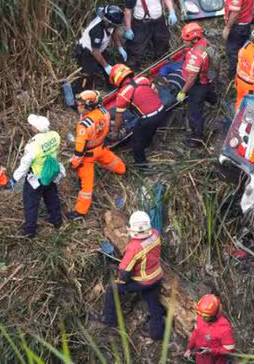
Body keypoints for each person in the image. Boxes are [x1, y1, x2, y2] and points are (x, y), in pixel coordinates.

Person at [101, 211, 165, 340]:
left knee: (113, 288)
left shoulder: (134, 247)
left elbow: (124, 271)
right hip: (156, 275)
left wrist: (121, 281)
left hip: (143, 281)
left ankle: (109, 319)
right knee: (153, 303)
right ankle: (157, 333)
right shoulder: (155, 234)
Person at [68, 91, 125, 220]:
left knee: (86, 186)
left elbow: (79, 150)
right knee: (113, 162)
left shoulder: (84, 125)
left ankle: (80, 212)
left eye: (80, 104)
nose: (78, 106)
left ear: (88, 106)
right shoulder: (105, 112)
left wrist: (74, 164)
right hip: (101, 147)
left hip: (88, 156)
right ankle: (122, 170)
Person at [10, 114, 63, 238]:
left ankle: (30, 231)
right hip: (51, 174)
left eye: (32, 126)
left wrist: (14, 179)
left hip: (36, 179)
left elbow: (24, 165)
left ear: (35, 129)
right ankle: (57, 221)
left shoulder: (32, 145)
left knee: (31, 204)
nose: (31, 127)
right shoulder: (55, 136)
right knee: (52, 198)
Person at [124, 0, 178, 67]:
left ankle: (161, 65)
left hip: (158, 22)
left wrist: (172, 12)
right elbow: (127, 11)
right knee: (136, 48)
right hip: (141, 24)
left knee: (162, 43)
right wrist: (128, 28)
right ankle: (133, 69)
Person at [110, 64, 166, 165]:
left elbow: (119, 117)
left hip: (148, 118)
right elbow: (155, 91)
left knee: (136, 140)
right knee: (151, 129)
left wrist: (115, 132)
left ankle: (141, 164)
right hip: (161, 110)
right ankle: (147, 144)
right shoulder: (143, 79)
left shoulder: (122, 95)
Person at [180, 23, 219, 148]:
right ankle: (215, 100)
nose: (184, 43)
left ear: (194, 40)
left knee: (194, 112)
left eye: (186, 41)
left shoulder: (195, 56)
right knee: (208, 92)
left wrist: (183, 91)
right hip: (206, 79)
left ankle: (197, 139)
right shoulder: (204, 42)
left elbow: (191, 78)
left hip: (197, 85)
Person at [73, 5, 127, 93]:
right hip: (87, 52)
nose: (115, 27)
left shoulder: (109, 24)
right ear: (108, 22)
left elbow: (114, 33)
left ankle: (113, 88)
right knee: (88, 75)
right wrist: (105, 66)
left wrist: (120, 47)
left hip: (99, 49)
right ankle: (82, 94)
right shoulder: (97, 30)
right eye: (114, 25)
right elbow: (95, 51)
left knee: (112, 68)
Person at [222, 0, 254, 81]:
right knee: (244, 46)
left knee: (232, 52)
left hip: (238, 27)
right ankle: (245, 66)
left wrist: (227, 28)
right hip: (247, 22)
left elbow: (235, 13)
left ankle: (233, 77)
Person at [185, 294, 236, 363]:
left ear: (214, 314)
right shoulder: (201, 318)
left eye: (206, 317)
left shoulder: (224, 328)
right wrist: (189, 349)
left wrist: (211, 350)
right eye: (200, 314)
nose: (202, 318)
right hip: (200, 360)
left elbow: (229, 349)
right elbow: (195, 334)